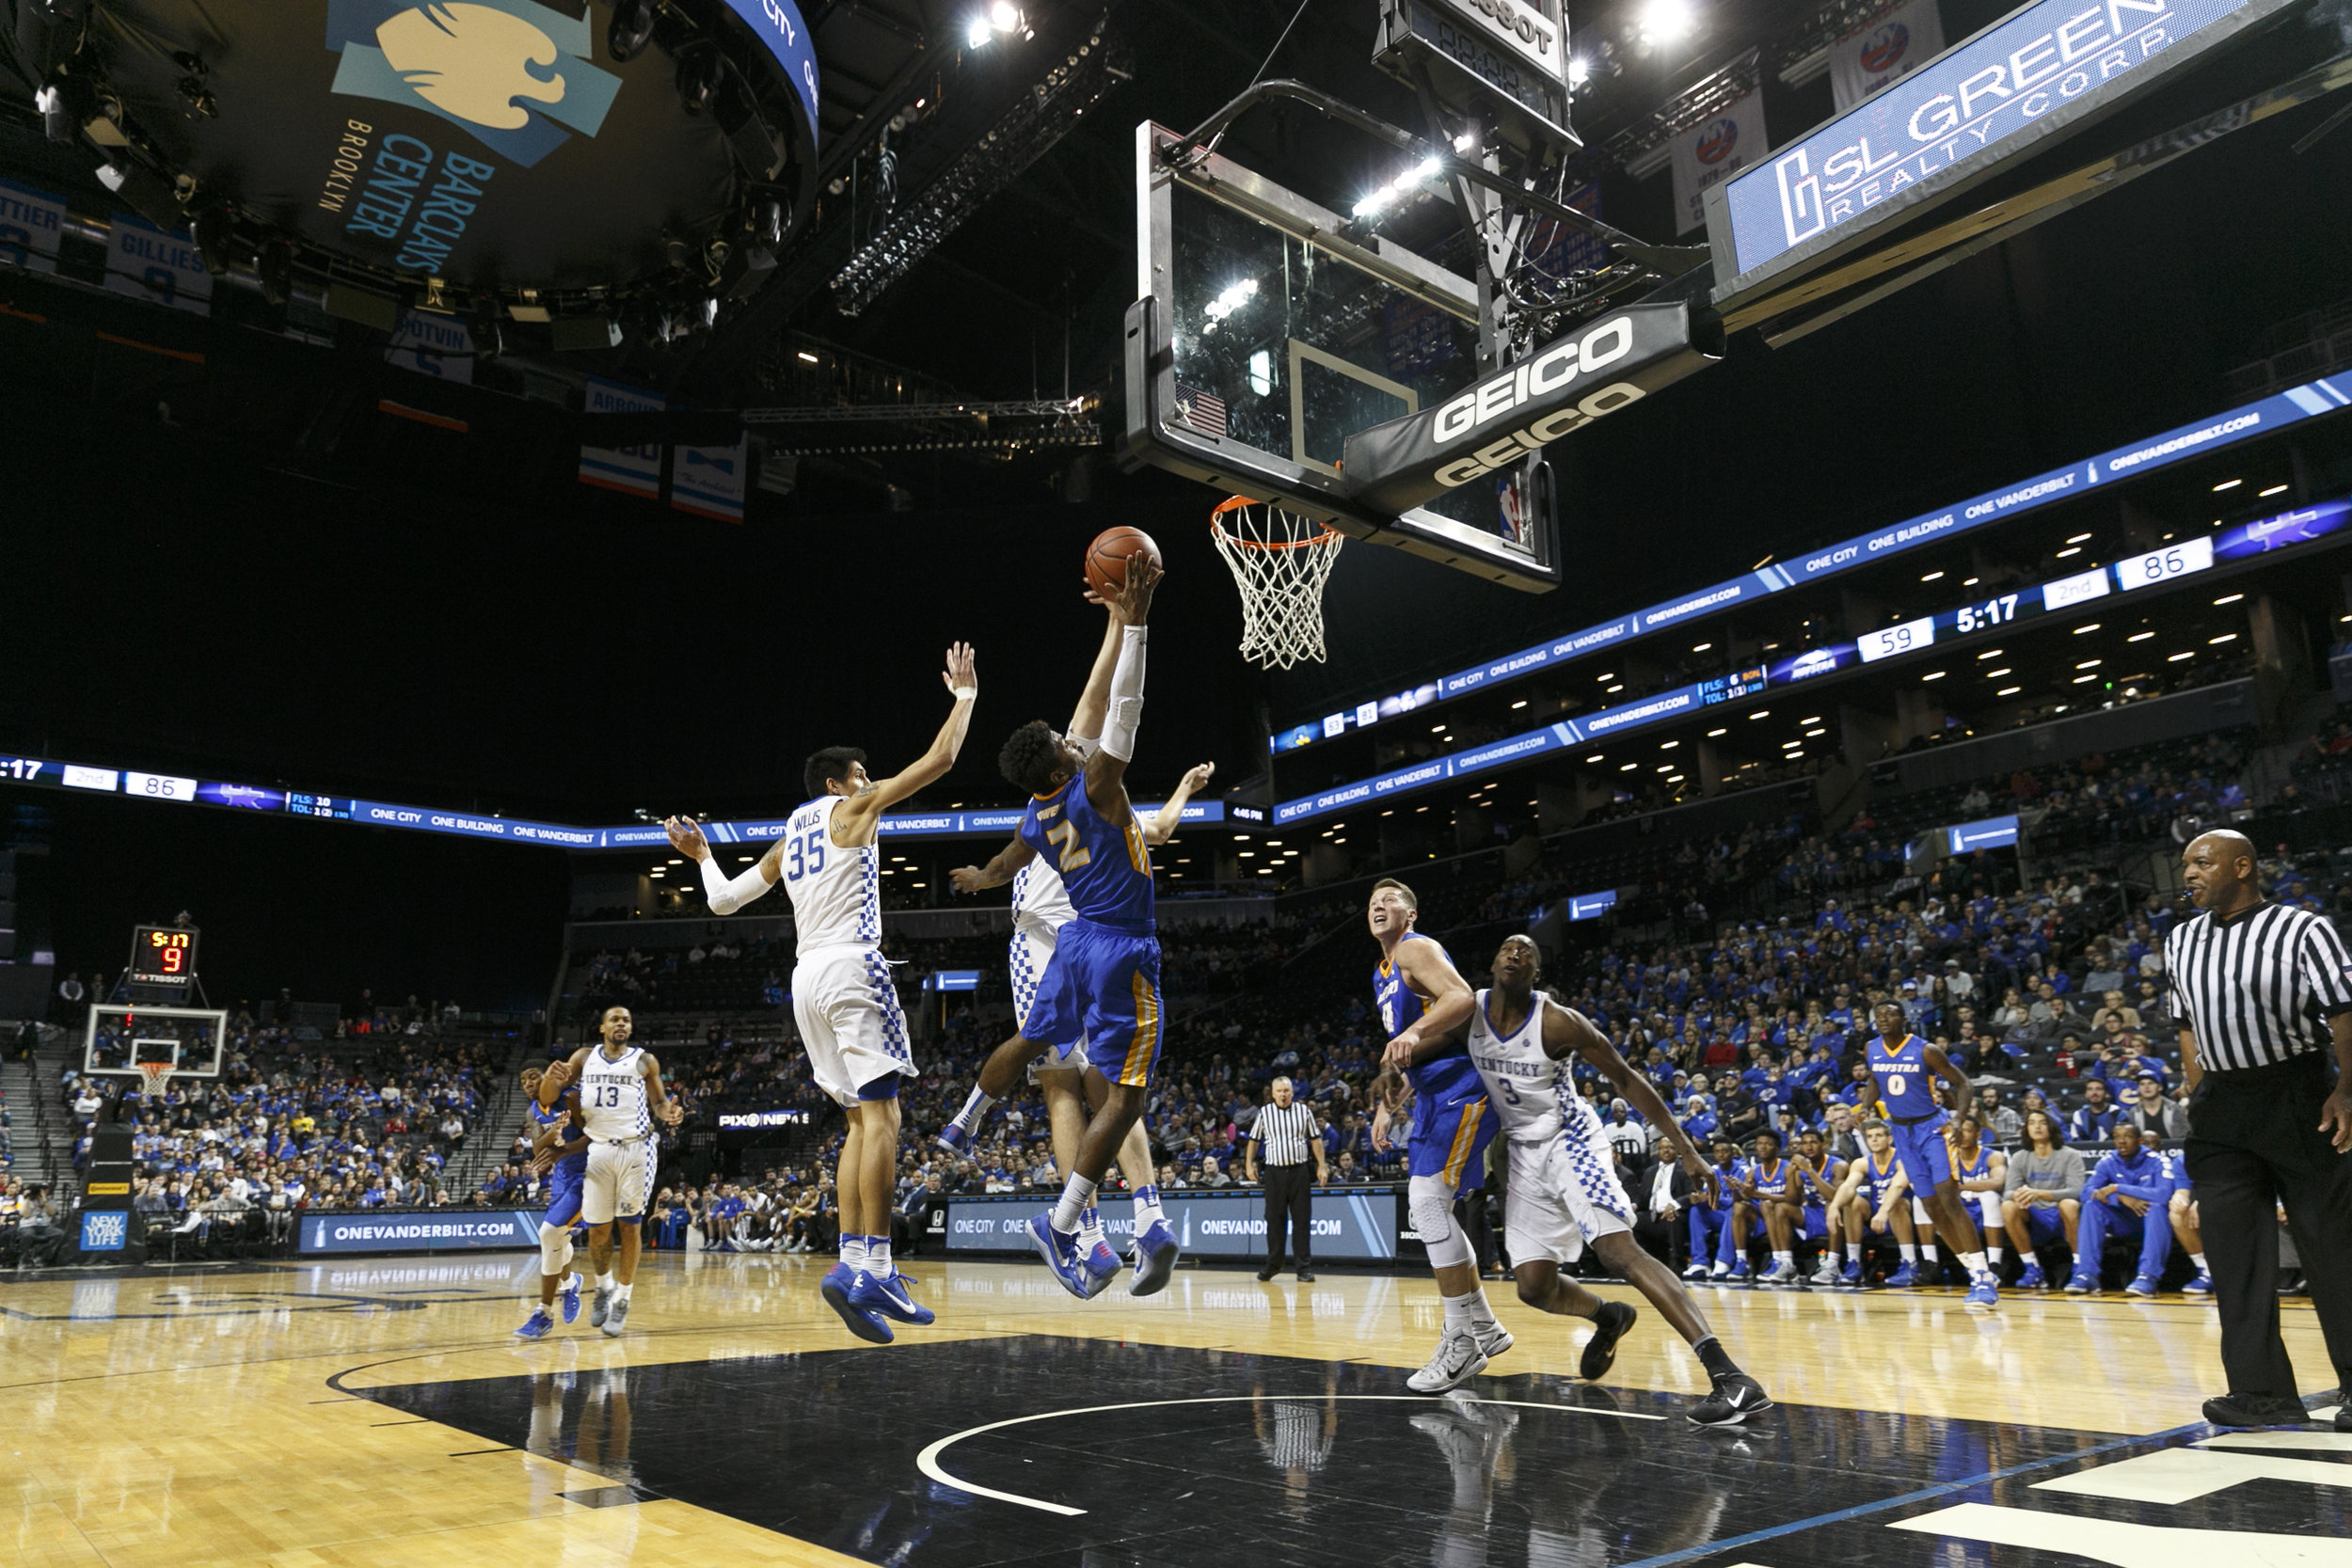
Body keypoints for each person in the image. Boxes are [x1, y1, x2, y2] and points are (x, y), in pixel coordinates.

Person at [667, 638, 977, 1342]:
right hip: (851, 968)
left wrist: (705, 856)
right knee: (887, 1120)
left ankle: (854, 1262)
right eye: (861, 773)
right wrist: (965, 696)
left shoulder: (789, 831)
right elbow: (941, 762)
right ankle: (878, 1266)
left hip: (804, 980)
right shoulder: (849, 808)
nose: (869, 780)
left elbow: (721, 903)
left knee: (858, 1124)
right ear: (840, 782)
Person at [937, 597, 1212, 1298]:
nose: (1070, 736)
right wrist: (1137, 617)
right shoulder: (1096, 780)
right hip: (1094, 938)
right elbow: (1118, 701)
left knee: (1059, 1061)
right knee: (1099, 1089)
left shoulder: (1040, 808)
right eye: (1065, 740)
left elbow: (1009, 857)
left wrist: (982, 874)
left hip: (1077, 938)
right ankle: (1075, 1226)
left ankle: (979, 1116)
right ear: (1061, 759)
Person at [1412, 935, 1770, 1426]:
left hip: (1571, 1141)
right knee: (1533, 1288)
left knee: (1618, 1251)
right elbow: (1416, 1053)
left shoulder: (1558, 1020)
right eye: (1506, 949)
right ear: (1491, 964)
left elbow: (1627, 1080)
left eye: (1527, 953)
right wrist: (1391, 1073)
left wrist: (1689, 1152)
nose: (1515, 955)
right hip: (1521, 1153)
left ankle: (1730, 1378)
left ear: (1537, 973)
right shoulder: (1468, 1013)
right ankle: (1609, 1317)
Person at [2165, 830, 2352, 1428]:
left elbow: (2344, 1010)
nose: (2188, 873)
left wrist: (2347, 1088)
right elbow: (2186, 1024)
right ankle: (2261, 1391)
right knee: (2234, 1254)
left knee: (2332, 1247)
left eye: (2202, 862)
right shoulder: (2180, 941)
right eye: (2185, 865)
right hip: (2222, 1108)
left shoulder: (2301, 929)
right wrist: (2198, 1090)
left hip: (2298, 1093)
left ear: (2242, 867)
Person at [1364, 878, 1509, 1394]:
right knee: (1430, 1210)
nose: (1379, 907)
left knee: (1427, 1206)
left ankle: (1461, 1341)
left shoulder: (1415, 948)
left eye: (1391, 901)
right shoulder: (1382, 971)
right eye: (1373, 903)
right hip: (1431, 1095)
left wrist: (1411, 1033)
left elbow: (1463, 1000)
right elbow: (1414, 1047)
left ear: (1412, 913)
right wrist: (1389, 1104)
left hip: (1463, 1087)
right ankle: (1484, 1326)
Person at [552, 1007, 684, 1338]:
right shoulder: (584, 1057)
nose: (621, 1024)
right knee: (597, 1232)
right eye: (615, 1019)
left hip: (636, 1149)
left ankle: (623, 1298)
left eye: (626, 1019)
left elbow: (659, 1104)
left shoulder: (644, 1060)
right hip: (598, 1149)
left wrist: (669, 1113)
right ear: (602, 1027)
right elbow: (558, 1090)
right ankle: (603, 1288)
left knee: (629, 1227)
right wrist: (551, 1082)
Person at [1865, 1002, 1998, 1305]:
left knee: (1949, 1198)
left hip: (1932, 1130)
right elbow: (1875, 1079)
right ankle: (1975, 1271)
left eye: (1890, 1014)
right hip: (1901, 1133)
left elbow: (1962, 1083)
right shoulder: (1871, 1048)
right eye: (1879, 1016)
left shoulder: (1925, 1050)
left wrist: (1958, 1118)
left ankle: (1982, 1278)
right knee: (1930, 1207)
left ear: (1903, 1018)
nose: (1884, 1019)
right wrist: (1866, 1106)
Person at [512, 1063, 586, 1338]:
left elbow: (595, 1138)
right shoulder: (532, 1111)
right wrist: (553, 1129)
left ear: (547, 1081)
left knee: (549, 1232)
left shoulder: (570, 1098)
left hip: (588, 1171)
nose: (529, 1083)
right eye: (524, 1080)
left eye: (534, 1077)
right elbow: (537, 1148)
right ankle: (569, 1282)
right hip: (563, 1174)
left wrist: (563, 1145)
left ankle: (544, 1313)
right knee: (557, 1238)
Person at [2066, 1122, 2176, 1296]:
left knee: (2156, 1207)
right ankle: (2086, 1274)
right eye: (2116, 1137)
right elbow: (2086, 1192)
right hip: (2124, 1221)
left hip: (2151, 1221)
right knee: (2091, 1205)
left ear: (2139, 1140)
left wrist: (2118, 1188)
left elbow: (2163, 1194)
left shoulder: (2158, 1160)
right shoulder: (2108, 1161)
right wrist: (2120, 1198)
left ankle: (2148, 1277)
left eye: (2128, 1137)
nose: (2121, 1142)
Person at [1245, 1075, 1327, 1280]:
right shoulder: (1264, 1113)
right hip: (1274, 1173)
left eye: (1286, 1091)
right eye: (1279, 1091)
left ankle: (1303, 1268)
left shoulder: (1304, 1111)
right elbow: (1254, 1141)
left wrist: (1322, 1166)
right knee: (1274, 1220)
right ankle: (1273, 1265)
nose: (1283, 1094)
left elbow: (1315, 1139)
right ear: (1272, 1094)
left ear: (1292, 1092)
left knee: (1302, 1221)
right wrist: (1248, 1163)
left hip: (1300, 1171)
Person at [2000, 1108, 2083, 1290]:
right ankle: (2033, 1269)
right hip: (2035, 1216)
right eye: (2031, 1123)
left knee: (2069, 1204)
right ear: (2026, 1129)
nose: (2036, 1126)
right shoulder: (2020, 1157)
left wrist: (2039, 1193)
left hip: (2062, 1216)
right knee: (2008, 1206)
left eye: (2042, 1122)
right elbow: (2008, 1192)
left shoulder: (2070, 1155)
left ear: (2051, 1127)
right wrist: (2017, 1194)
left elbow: (2076, 1191)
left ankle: (2080, 1268)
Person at [1828, 1120, 1915, 1286]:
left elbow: (1898, 1185)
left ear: (1889, 1139)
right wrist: (1834, 1206)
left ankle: (1910, 1263)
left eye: (1878, 1136)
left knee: (1897, 1203)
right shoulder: (1862, 1162)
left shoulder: (1902, 1158)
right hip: (1878, 1213)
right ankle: (1854, 1263)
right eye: (1869, 1137)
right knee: (1852, 1202)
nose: (1874, 1140)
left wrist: (1883, 1211)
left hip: (1902, 1212)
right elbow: (1848, 1186)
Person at [1786, 1127, 1849, 1286]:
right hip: (1813, 1214)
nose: (1809, 1147)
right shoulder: (1800, 1170)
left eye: (1813, 1142)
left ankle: (1832, 1265)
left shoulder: (1838, 1165)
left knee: (1830, 1206)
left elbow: (1834, 1196)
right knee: (1781, 1209)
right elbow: (1792, 1200)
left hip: (1838, 1216)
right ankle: (1785, 1263)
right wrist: (1791, 1174)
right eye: (1804, 1143)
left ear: (1823, 1145)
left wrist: (1810, 1171)